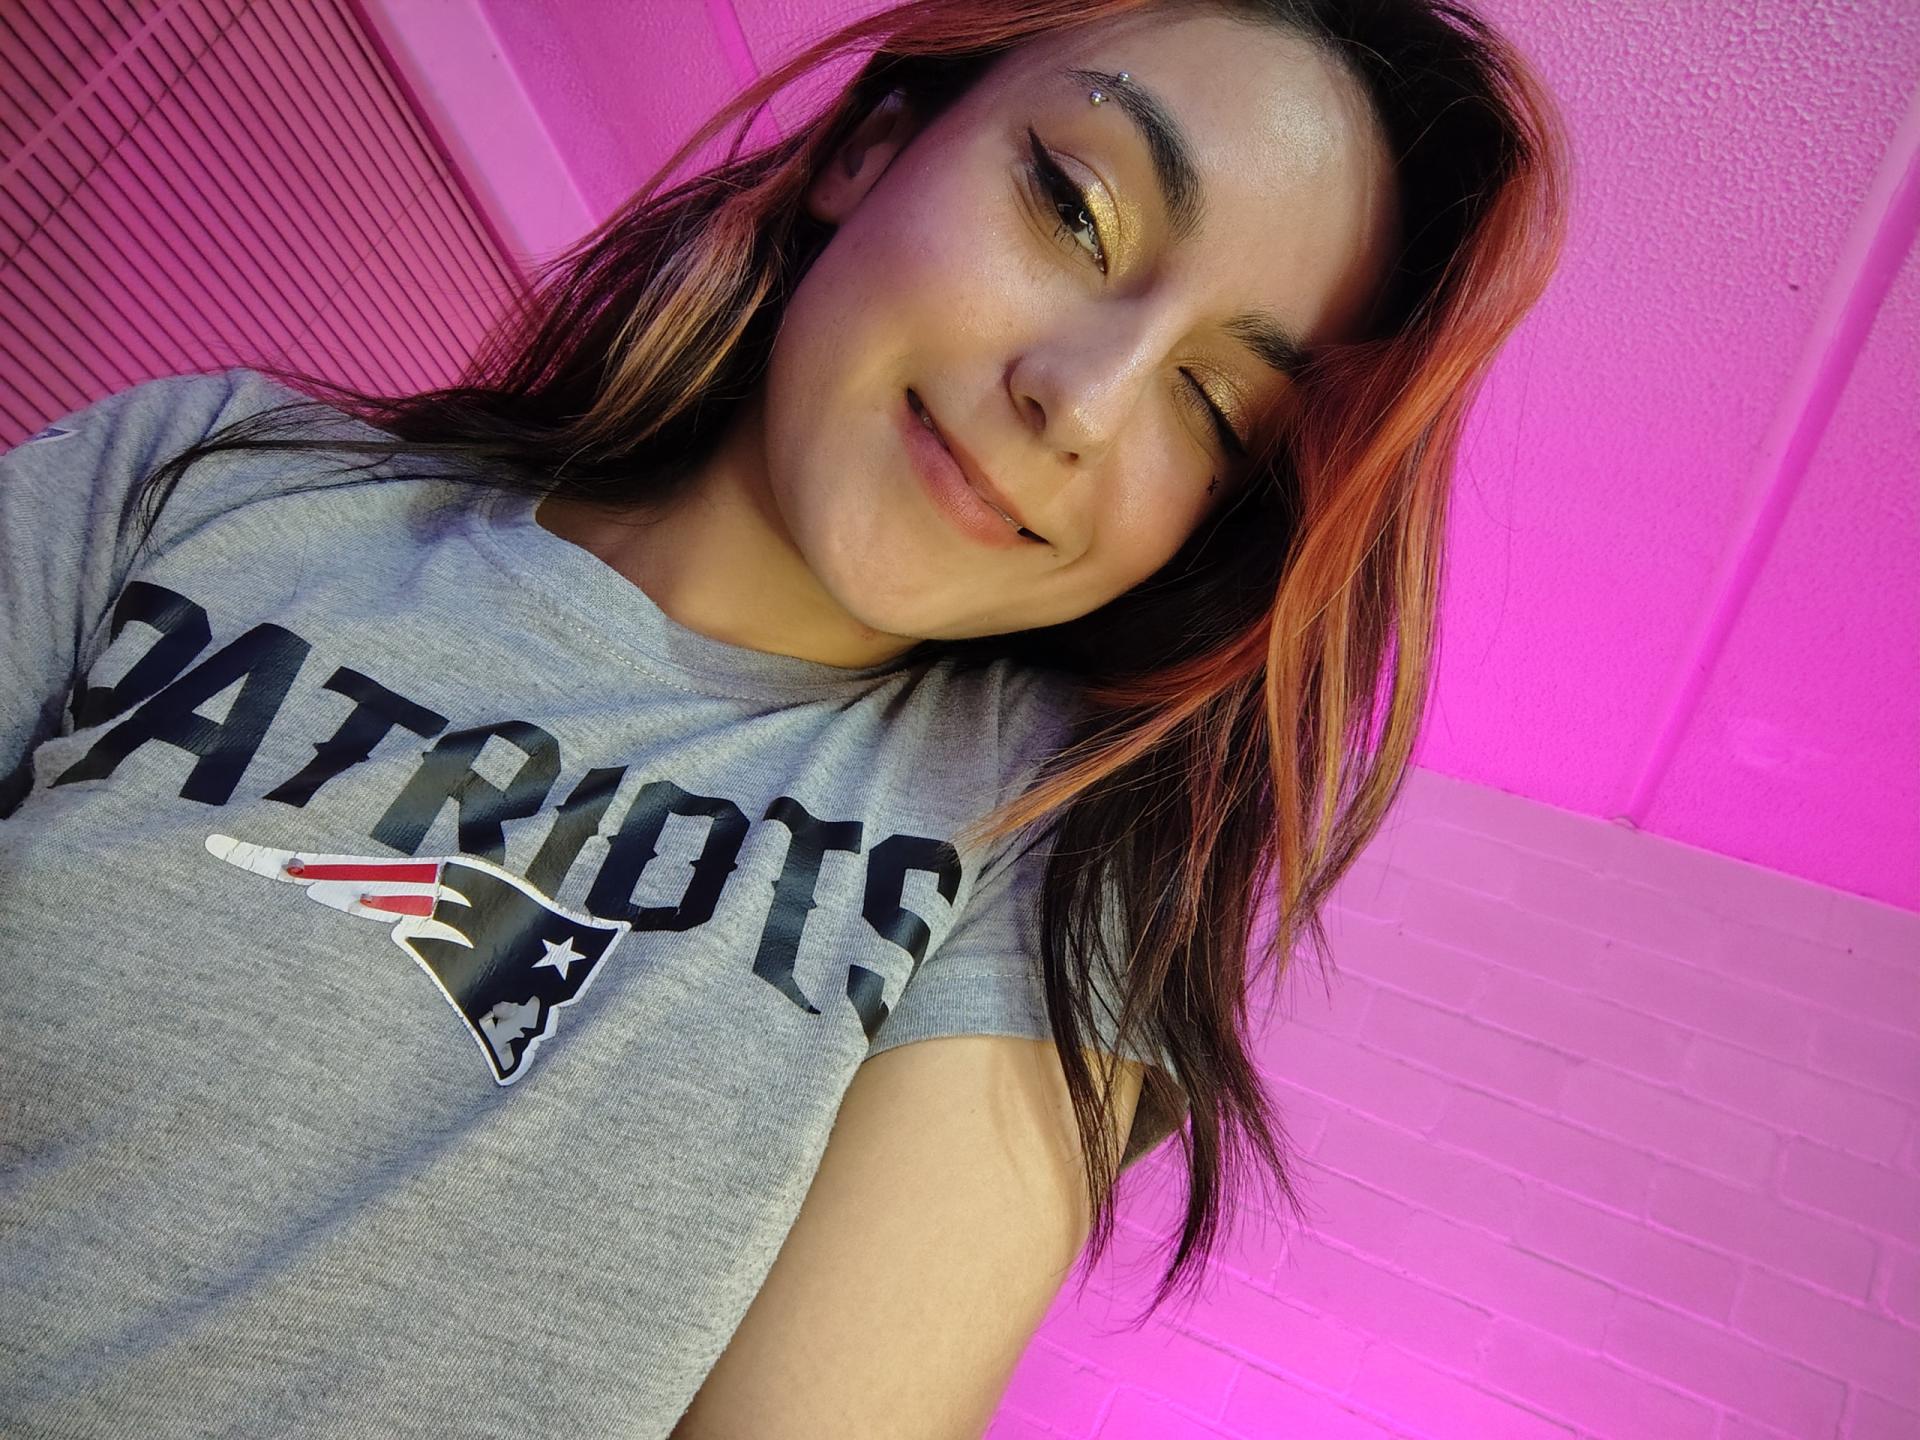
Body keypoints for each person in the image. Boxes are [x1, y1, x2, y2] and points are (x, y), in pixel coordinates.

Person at [0, 0, 1567, 1435]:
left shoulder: (1038, 849)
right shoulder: (207, 478)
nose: (1084, 401)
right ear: (871, 145)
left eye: (1216, 408)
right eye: (1077, 211)